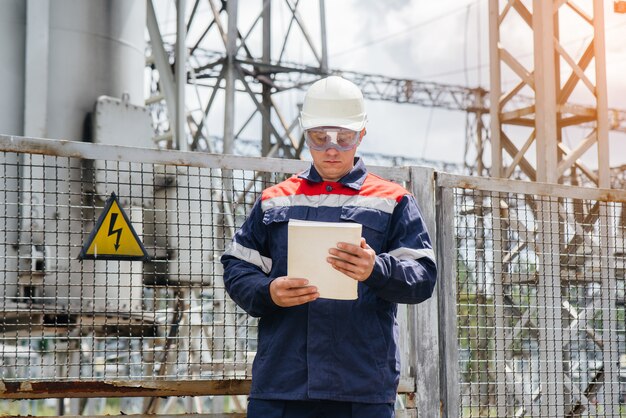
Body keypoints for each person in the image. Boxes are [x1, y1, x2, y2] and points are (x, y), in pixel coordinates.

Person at [220, 75, 437, 418]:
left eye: (343, 138)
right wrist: (268, 291)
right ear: (306, 135)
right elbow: (237, 267)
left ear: (361, 134)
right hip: (282, 385)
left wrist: (375, 269)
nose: (331, 149)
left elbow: (422, 276)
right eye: (320, 138)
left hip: (360, 389)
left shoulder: (393, 200)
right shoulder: (274, 200)